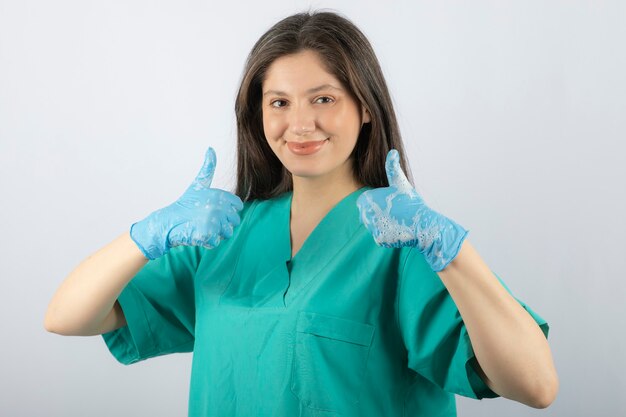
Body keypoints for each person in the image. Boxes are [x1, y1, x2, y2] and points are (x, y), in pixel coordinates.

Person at [45, 9, 558, 417]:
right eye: (279, 102)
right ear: (257, 114)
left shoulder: (404, 246)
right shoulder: (224, 239)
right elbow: (66, 317)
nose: (300, 123)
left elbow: (536, 386)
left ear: (365, 107)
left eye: (323, 98)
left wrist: (453, 252)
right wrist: (145, 236)